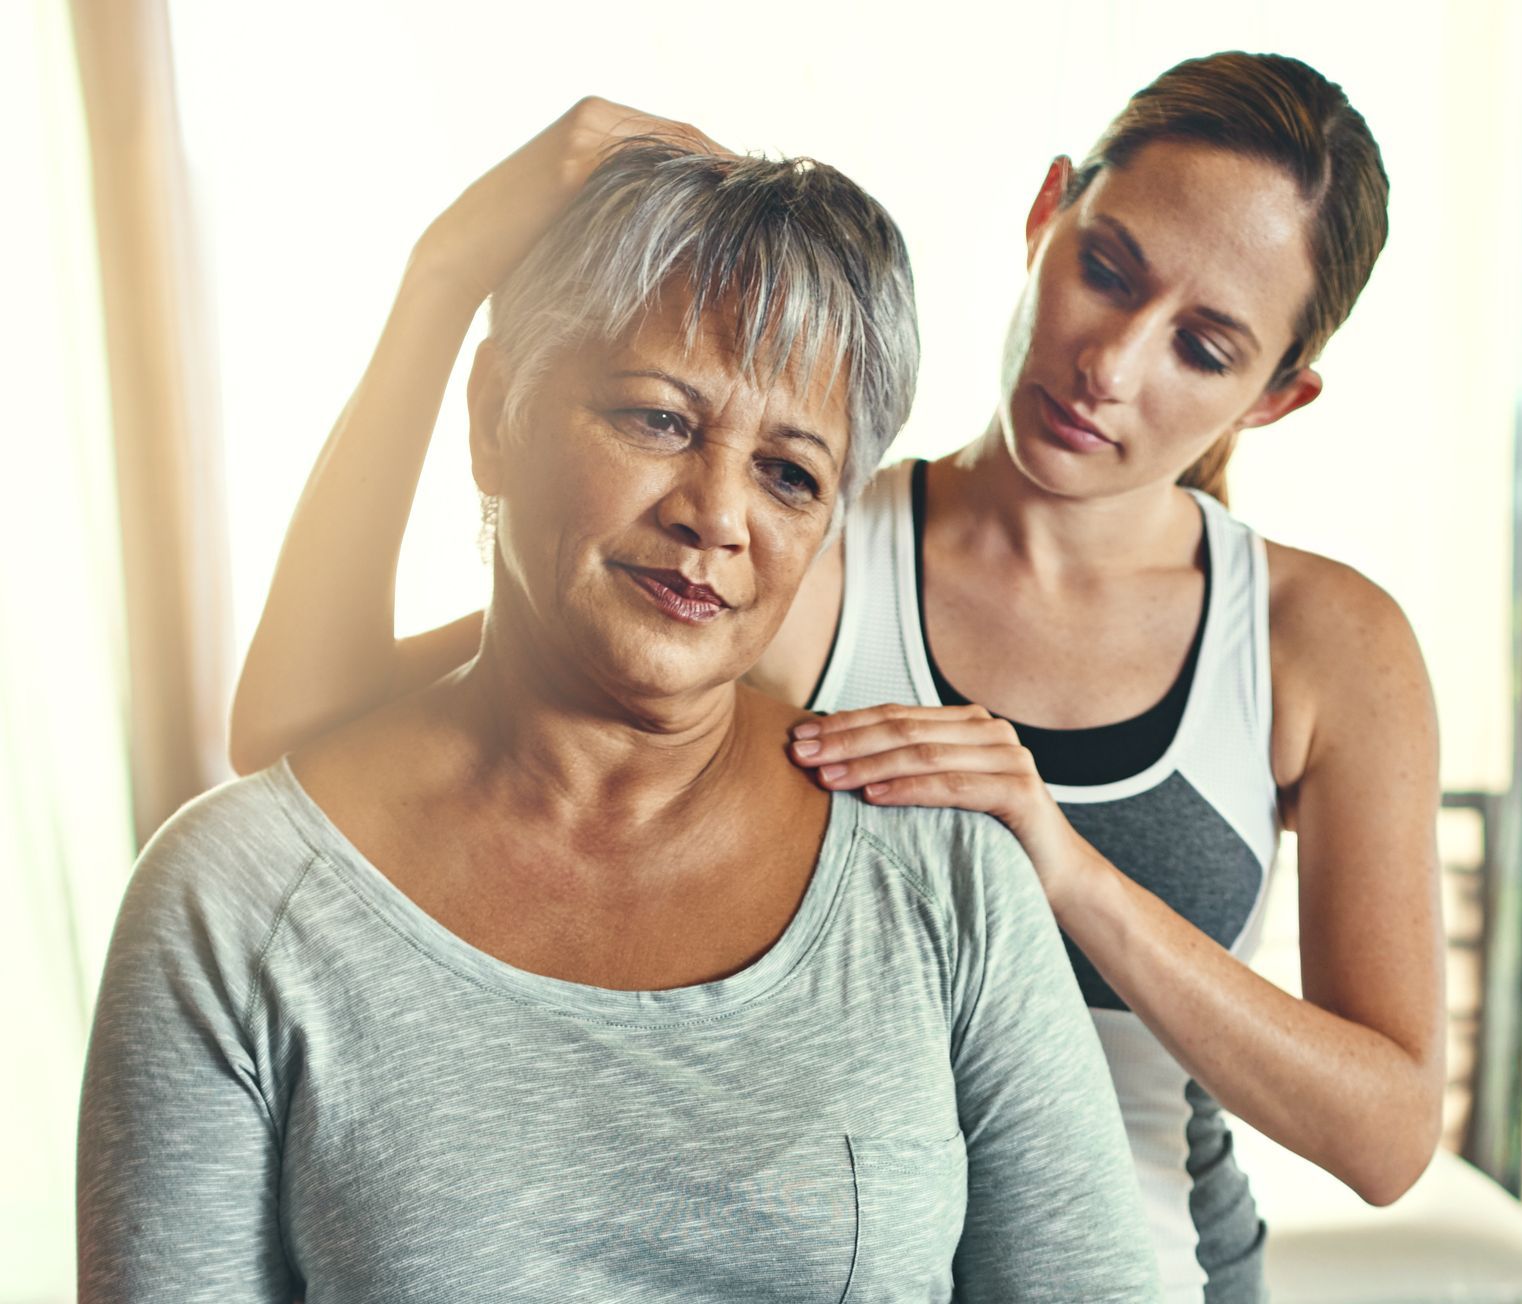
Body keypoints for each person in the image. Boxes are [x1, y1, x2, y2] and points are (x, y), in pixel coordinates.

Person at [233, 51, 1445, 1304]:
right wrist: (440, 281)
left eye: (1202, 345)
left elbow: (1390, 1133)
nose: (1113, 363)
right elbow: (301, 728)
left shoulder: (1320, 643)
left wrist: (1064, 870)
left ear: (1278, 395)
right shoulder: (801, 553)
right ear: (1046, 216)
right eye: (1106, 269)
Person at [78, 140, 1160, 1303]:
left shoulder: (944, 878)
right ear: (497, 413)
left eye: (791, 475)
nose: (716, 514)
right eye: (657, 419)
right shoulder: (232, 901)